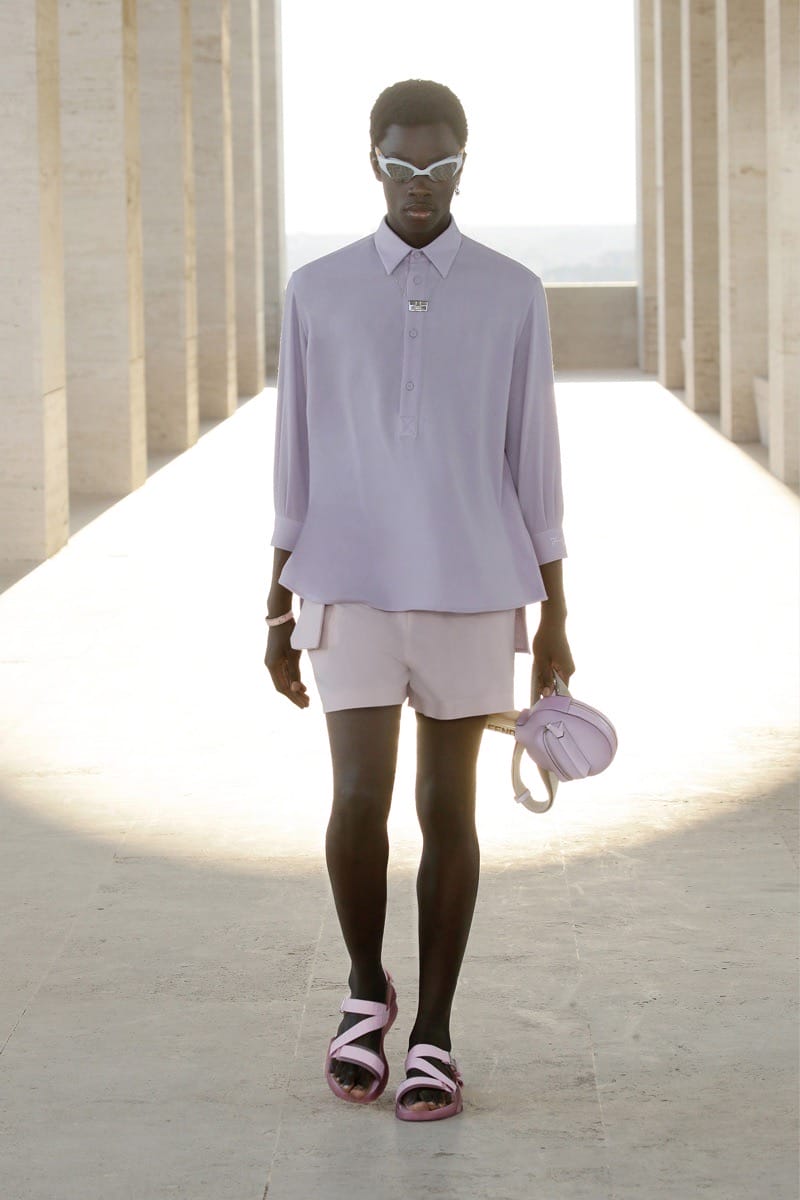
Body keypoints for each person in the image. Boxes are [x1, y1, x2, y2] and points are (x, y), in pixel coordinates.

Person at [264, 79, 575, 1122]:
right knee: (357, 800)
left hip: (472, 588)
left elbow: (534, 464)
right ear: (373, 162)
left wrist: (556, 615)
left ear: (462, 164)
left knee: (449, 810)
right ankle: (366, 990)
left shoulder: (512, 292)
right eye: (401, 164)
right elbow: (295, 462)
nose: (418, 183)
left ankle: (433, 1029)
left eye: (438, 165)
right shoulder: (315, 291)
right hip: (344, 582)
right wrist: (275, 604)